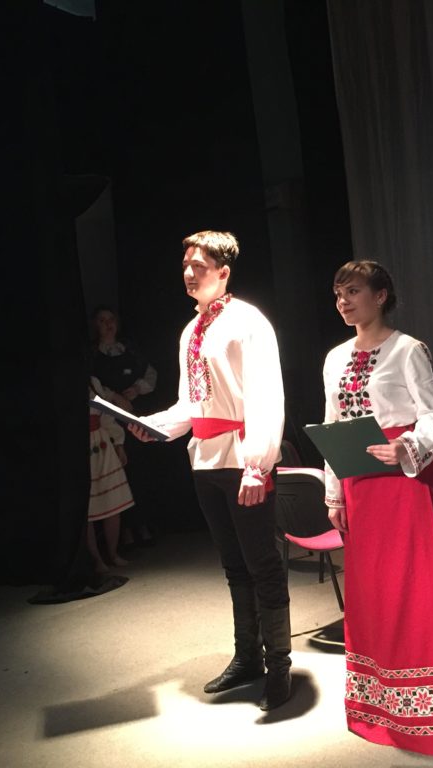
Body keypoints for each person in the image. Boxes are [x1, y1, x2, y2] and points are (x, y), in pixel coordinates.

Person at [322, 260, 433, 755]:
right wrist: (334, 493)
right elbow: (332, 426)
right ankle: (384, 705)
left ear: (380, 296)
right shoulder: (334, 358)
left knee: (416, 592)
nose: (343, 301)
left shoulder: (407, 349)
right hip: (360, 488)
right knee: (374, 596)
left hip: (405, 485)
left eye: (353, 291)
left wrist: (407, 446)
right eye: (338, 294)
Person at [130, 231, 290, 711]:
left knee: (263, 563)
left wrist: (258, 465)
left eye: (198, 265)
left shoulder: (248, 322)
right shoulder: (191, 330)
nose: (188, 273)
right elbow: (191, 402)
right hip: (205, 459)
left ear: (223, 272)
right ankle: (248, 657)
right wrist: (156, 427)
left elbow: (265, 395)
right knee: (233, 564)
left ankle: (279, 666)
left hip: (243, 460)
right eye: (185, 265)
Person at [89, 306, 157, 546]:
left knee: (141, 470)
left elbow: (150, 374)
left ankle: (143, 524)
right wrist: (116, 398)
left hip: (135, 415)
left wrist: (136, 389)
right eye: (102, 320)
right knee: (121, 472)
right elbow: (94, 387)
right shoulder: (93, 356)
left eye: (111, 319)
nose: (108, 324)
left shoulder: (129, 350)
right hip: (110, 421)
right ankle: (125, 531)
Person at [86, 378, 132, 573]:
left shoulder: (93, 382)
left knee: (113, 502)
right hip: (81, 446)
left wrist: (118, 443)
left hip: (102, 443)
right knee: (87, 509)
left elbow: (106, 415)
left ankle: (112, 553)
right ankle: (96, 559)